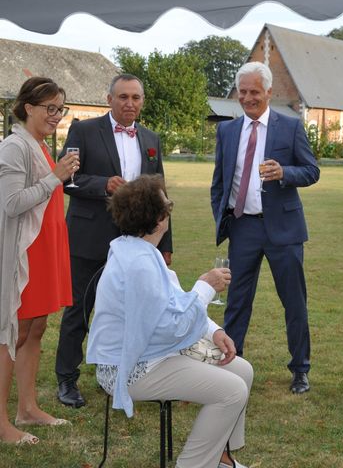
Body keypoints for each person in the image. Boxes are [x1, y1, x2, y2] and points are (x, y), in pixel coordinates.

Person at [87, 174, 252, 468]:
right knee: (232, 390)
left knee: (242, 370)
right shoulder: (139, 263)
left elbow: (174, 304)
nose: (169, 213)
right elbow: (172, 327)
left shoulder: (140, 250)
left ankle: (221, 457)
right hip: (130, 368)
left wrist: (214, 331)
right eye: (168, 206)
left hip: (150, 354)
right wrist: (205, 286)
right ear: (158, 218)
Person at [55, 73, 172, 408]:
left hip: (136, 244)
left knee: (132, 312)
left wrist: (164, 245)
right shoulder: (84, 130)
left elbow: (160, 195)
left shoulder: (151, 138)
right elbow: (68, 179)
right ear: (109, 99)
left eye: (136, 98)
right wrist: (103, 184)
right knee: (79, 311)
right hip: (88, 238)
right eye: (123, 97)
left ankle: (124, 376)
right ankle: (67, 380)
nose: (129, 104)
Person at [210, 61, 320, 394]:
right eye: (242, 92)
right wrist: (224, 218)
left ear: (269, 92)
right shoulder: (227, 131)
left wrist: (285, 172)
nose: (247, 98)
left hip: (284, 230)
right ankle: (232, 364)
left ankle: (300, 369)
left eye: (254, 92)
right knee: (237, 303)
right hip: (243, 228)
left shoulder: (290, 127)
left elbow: (311, 171)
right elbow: (219, 182)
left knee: (294, 302)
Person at [0, 77, 79, 444]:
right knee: (11, 335)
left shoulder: (39, 145)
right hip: (23, 254)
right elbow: (12, 203)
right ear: (28, 107)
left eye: (59, 109)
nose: (56, 116)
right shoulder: (14, 146)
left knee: (35, 330)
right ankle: (1, 422)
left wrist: (58, 173)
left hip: (46, 250)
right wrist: (55, 177)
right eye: (50, 108)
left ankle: (27, 409)